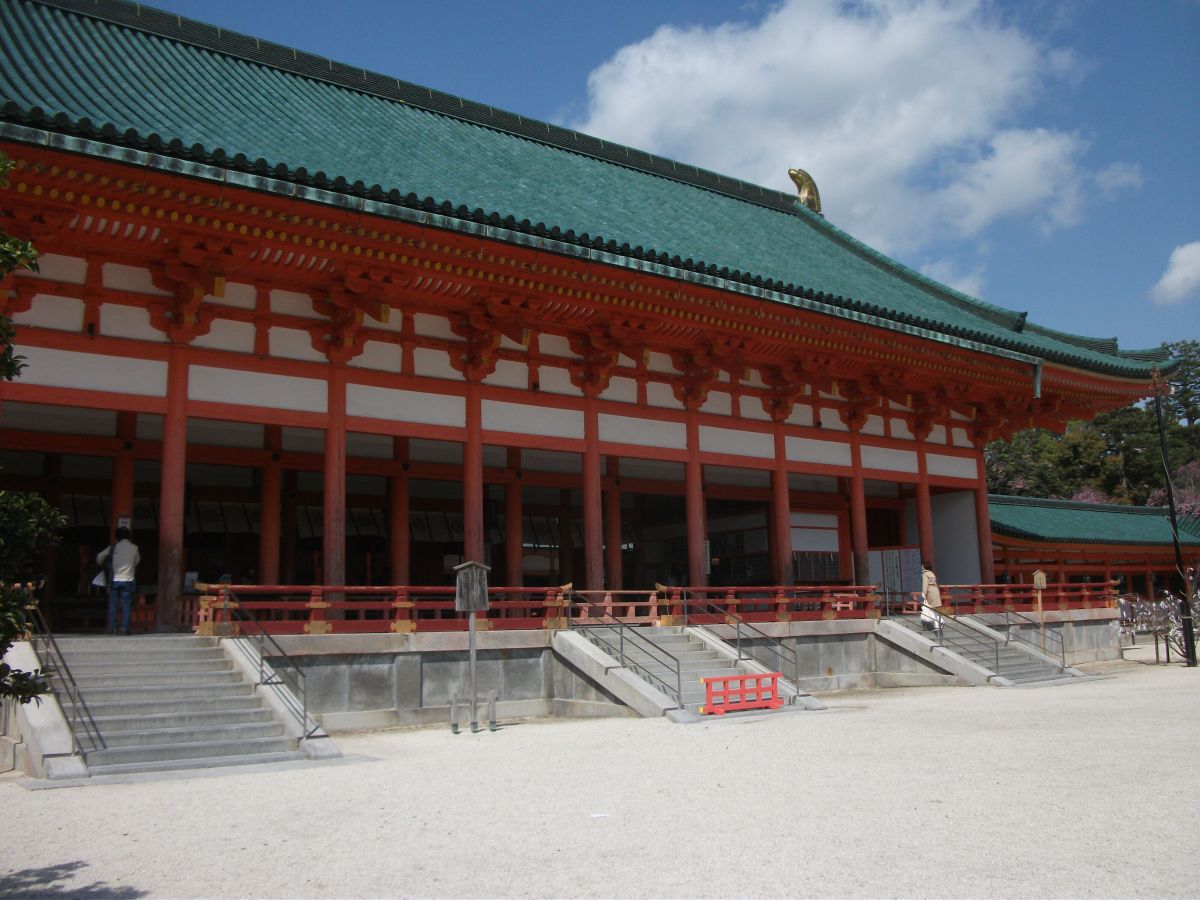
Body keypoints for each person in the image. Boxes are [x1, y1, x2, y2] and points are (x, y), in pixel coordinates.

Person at [97, 526, 139, 635]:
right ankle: (125, 628)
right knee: (126, 604)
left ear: (117, 536)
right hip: (128, 579)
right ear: (129, 536)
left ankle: (112, 627)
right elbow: (137, 561)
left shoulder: (113, 548)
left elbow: (99, 557)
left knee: (113, 603)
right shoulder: (134, 548)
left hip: (114, 579)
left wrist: (104, 564)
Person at [919, 559, 942, 633]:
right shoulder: (932, 574)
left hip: (930, 591)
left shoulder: (925, 574)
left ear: (924, 566)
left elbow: (925, 584)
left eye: (922, 565)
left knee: (930, 608)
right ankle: (940, 621)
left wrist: (923, 593)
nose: (921, 566)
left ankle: (936, 624)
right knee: (934, 608)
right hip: (935, 590)